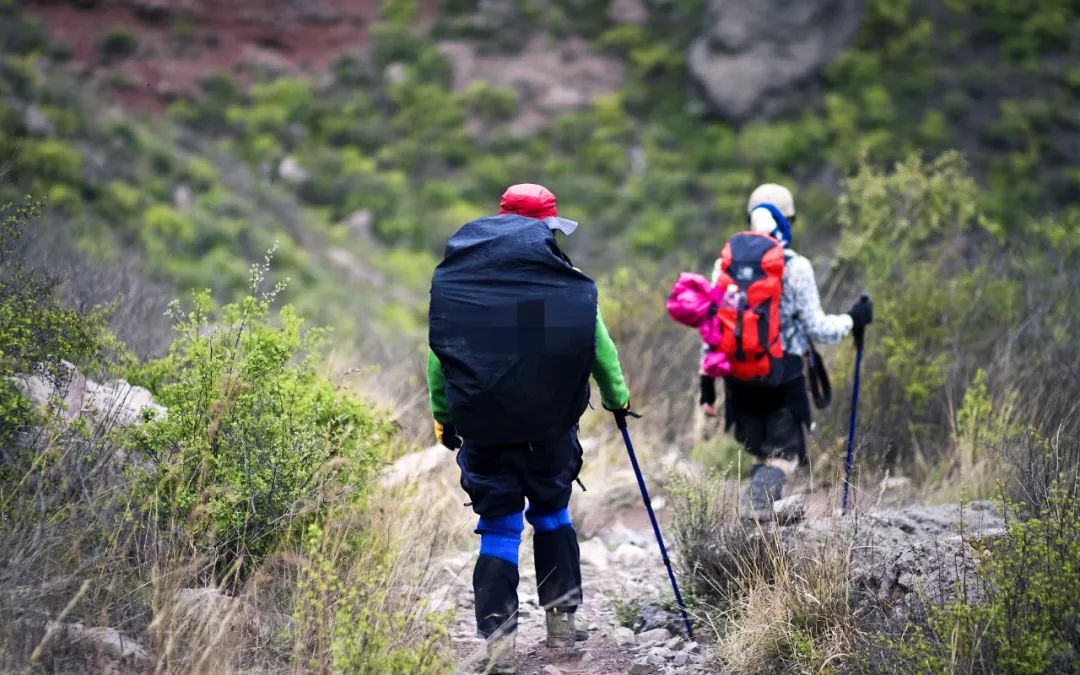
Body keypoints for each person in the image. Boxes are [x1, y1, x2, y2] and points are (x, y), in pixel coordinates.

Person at [427, 183, 630, 674]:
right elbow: (599, 349)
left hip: (484, 431)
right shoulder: (566, 283)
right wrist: (618, 400)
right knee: (552, 514)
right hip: (550, 429)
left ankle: (498, 645)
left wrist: (445, 418)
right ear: (545, 228)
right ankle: (561, 625)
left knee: (497, 528)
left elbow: (440, 357)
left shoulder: (462, 283)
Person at [698, 183, 873, 512]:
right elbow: (819, 329)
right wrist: (853, 319)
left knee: (765, 455)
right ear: (786, 220)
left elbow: (711, 328)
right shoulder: (797, 266)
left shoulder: (724, 266)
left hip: (737, 378)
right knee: (784, 458)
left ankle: (759, 545)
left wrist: (706, 387)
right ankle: (754, 509)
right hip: (784, 378)